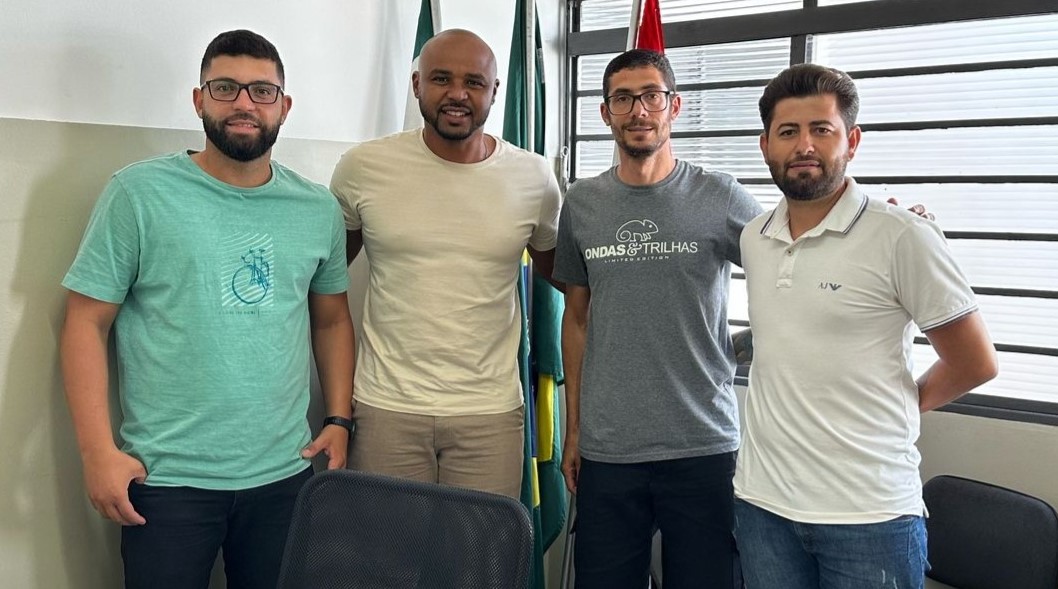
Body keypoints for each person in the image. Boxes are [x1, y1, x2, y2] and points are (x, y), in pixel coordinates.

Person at [60, 29, 355, 589]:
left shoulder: (317, 208)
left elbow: (333, 319)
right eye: (225, 88)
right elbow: (85, 321)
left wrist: (338, 419)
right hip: (165, 478)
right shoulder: (138, 194)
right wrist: (97, 452)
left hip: (284, 473)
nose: (244, 103)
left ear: (284, 107)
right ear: (199, 100)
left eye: (262, 91)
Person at [732, 63, 998, 589]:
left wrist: (901, 404)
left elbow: (975, 362)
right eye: (788, 132)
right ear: (765, 145)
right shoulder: (753, 237)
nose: (804, 145)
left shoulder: (902, 234)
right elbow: (787, 339)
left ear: (851, 141)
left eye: (821, 129)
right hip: (762, 505)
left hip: (869, 513)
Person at [554, 48, 762, 588]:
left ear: (675, 105)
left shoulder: (720, 196)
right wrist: (573, 429)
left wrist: (740, 347)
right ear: (605, 113)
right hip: (608, 448)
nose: (639, 111)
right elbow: (576, 320)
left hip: (703, 443)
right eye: (623, 99)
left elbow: (792, 268)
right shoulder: (582, 203)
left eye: (651, 96)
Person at [329, 29, 561, 499]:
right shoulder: (363, 167)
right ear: (417, 84)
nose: (457, 94)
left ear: (494, 91)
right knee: (388, 548)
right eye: (441, 79)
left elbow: (564, 279)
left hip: (490, 415)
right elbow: (325, 279)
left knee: (480, 549)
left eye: (474, 82)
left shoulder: (534, 177)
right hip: (386, 408)